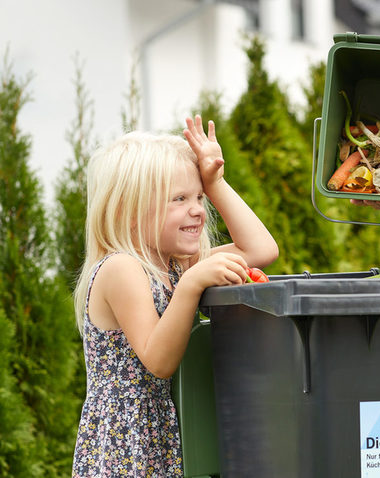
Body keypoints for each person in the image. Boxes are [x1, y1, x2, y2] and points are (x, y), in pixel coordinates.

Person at [71, 115, 279, 477]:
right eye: (179, 198)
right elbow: (158, 360)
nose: (197, 209)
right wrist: (191, 285)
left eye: (198, 197)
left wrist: (216, 183)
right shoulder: (122, 268)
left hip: (161, 430)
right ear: (130, 212)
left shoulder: (175, 266)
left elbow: (261, 249)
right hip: (125, 443)